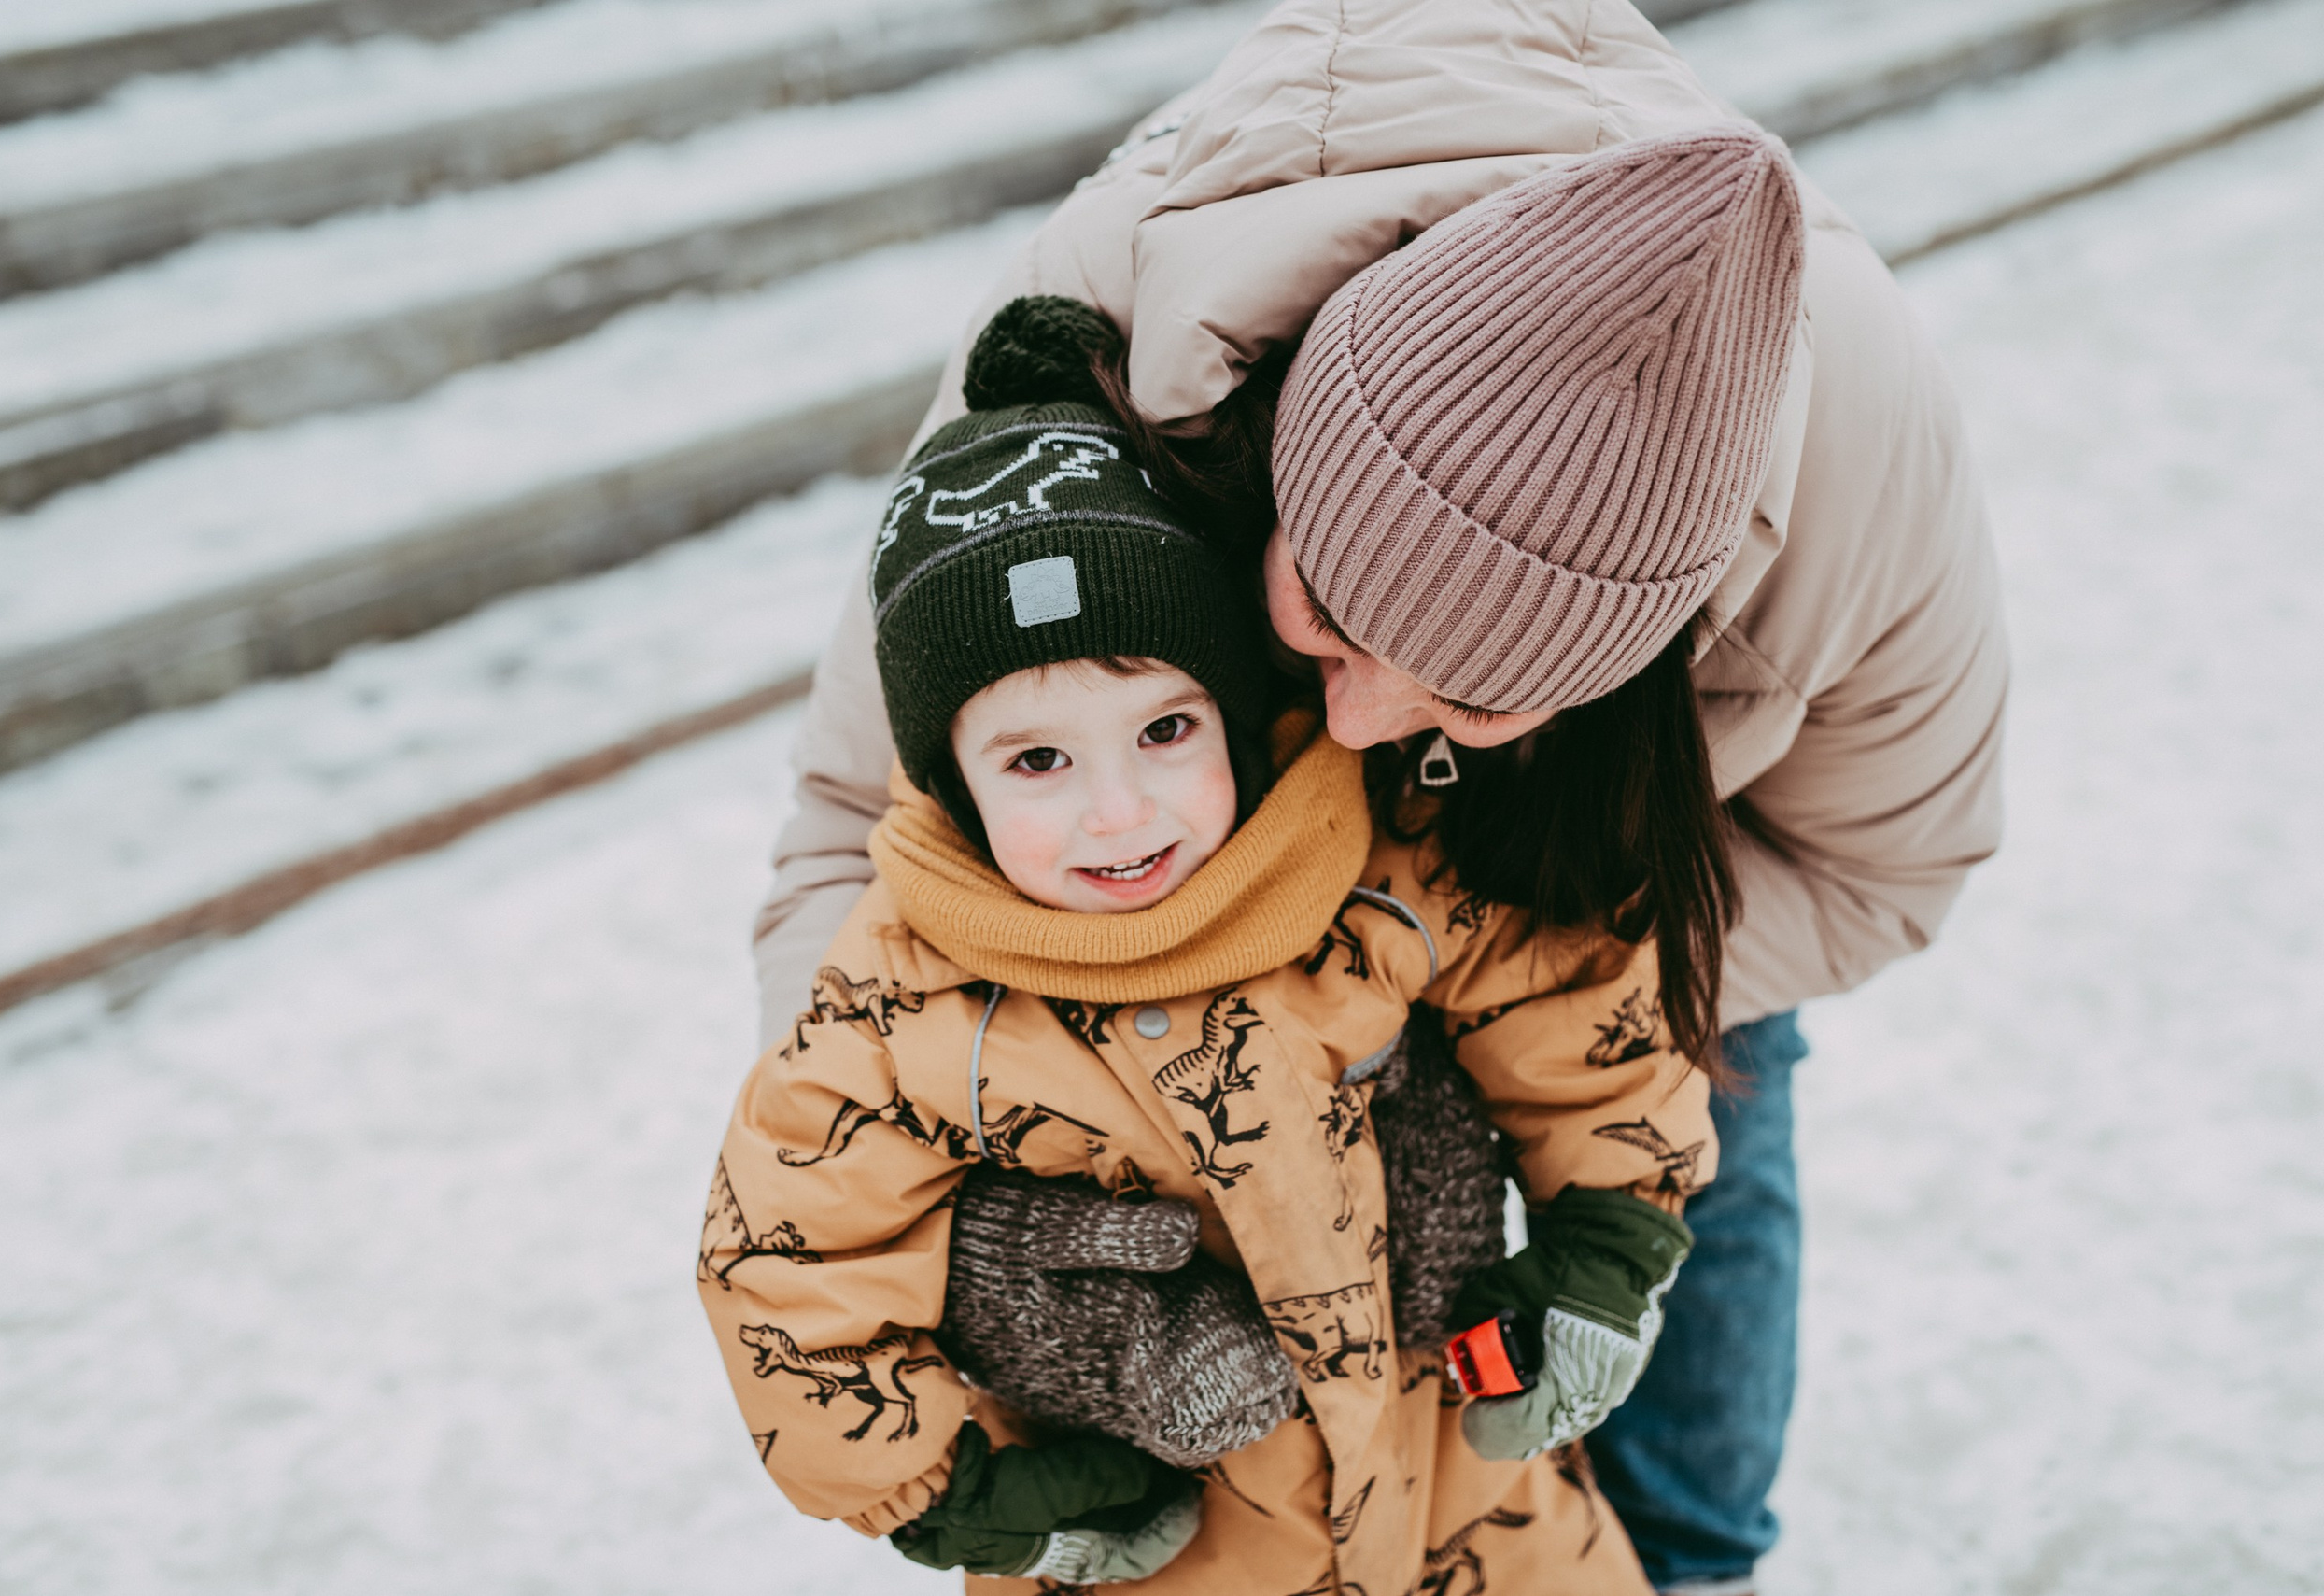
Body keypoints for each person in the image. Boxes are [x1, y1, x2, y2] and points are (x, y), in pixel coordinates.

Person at [753, 5, 2008, 1590]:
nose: (1355, 713)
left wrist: (1506, 1025)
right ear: (1273, 466)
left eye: (1469, 690)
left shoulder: (1865, 465)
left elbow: (1879, 867)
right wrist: (986, 1189)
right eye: (1325, 617)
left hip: (1604, 894)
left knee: (1691, 1175)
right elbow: (847, 841)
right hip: (1150, 969)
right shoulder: (1087, 364)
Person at [700, 297, 1725, 1593]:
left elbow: (1569, 994)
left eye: (1166, 730)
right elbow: (783, 1257)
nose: (1117, 809)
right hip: (1177, 1562)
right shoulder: (903, 1006)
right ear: (953, 783)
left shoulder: (1366, 860)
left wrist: (1609, 1237)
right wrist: (960, 1496)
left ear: (1236, 711)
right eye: (1036, 760)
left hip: (1474, 1517)